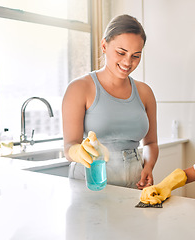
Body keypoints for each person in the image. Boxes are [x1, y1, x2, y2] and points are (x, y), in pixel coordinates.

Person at [62, 14, 158, 189]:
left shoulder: (145, 93)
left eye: (136, 56)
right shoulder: (79, 88)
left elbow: (151, 143)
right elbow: (69, 147)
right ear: (104, 45)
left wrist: (148, 167)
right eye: (121, 53)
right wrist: (77, 151)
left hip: (134, 183)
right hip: (90, 183)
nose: (128, 62)